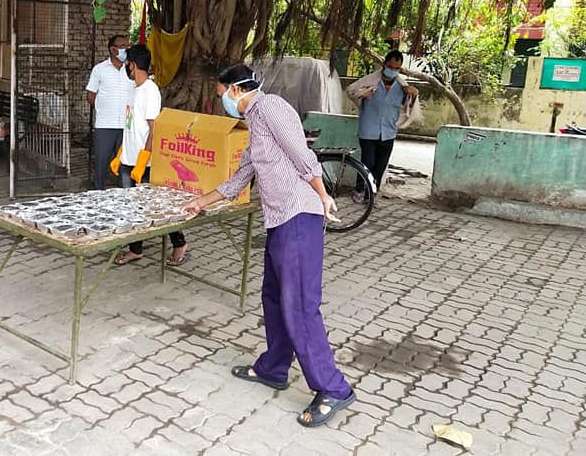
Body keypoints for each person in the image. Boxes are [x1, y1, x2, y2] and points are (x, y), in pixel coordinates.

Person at [185, 64, 355, 428]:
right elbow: (241, 177)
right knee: (274, 298)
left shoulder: (271, 108)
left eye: (221, 96)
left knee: (300, 307)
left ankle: (333, 388)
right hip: (279, 221)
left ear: (234, 90)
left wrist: (323, 196)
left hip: (299, 217)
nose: (222, 104)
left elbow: (301, 153)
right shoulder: (255, 125)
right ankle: (274, 368)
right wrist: (202, 201)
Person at [110, 45, 187, 266]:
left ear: (132, 65)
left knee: (158, 206)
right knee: (130, 207)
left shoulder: (150, 90)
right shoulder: (133, 90)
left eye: (127, 65)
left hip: (145, 164)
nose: (126, 68)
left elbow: (155, 130)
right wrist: (121, 154)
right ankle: (135, 249)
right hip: (128, 161)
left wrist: (143, 160)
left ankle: (179, 242)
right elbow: (130, 125)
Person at [346, 50, 419, 202]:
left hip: (388, 131)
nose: (393, 71)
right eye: (390, 66)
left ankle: (371, 195)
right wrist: (362, 94)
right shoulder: (370, 81)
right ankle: (359, 190)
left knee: (380, 166)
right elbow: (351, 91)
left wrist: (415, 94)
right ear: (384, 64)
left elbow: (409, 106)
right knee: (368, 163)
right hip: (368, 130)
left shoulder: (402, 87)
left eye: (396, 68)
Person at [86, 34, 135, 190]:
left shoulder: (132, 70)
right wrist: (103, 108)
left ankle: (123, 196)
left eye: (128, 46)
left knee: (124, 163)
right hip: (105, 125)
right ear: (113, 49)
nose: (127, 49)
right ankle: (98, 194)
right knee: (101, 162)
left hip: (126, 126)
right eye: (123, 46)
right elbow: (90, 96)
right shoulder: (99, 69)